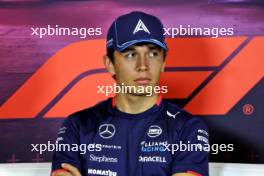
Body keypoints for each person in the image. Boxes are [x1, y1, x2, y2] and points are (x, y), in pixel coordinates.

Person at [51, 11, 209, 176]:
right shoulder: (77, 126)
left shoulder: (188, 128)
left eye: (153, 54)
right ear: (110, 64)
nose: (143, 65)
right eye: (131, 54)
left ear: (164, 62)